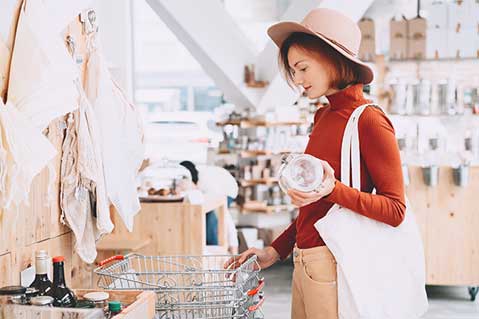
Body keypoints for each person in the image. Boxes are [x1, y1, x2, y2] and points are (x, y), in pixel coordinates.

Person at [227, 8, 406, 319]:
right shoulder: (323, 115)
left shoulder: (369, 120)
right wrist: (276, 250)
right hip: (307, 260)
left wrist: (331, 189)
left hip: (336, 261)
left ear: (331, 57)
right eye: (293, 71)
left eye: (302, 68)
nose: (297, 80)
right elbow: (317, 207)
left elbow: (395, 210)